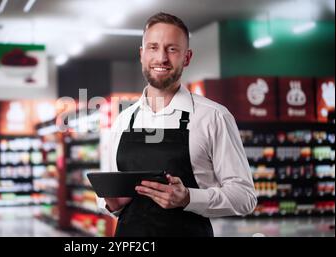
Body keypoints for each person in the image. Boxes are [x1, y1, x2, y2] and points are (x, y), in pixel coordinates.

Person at [98, 12, 257, 237]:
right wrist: (113, 204)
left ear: (187, 57)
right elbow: (108, 192)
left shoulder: (213, 117)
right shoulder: (123, 120)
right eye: (153, 47)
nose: (161, 58)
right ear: (142, 54)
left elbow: (245, 197)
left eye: (172, 49)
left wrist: (189, 198)